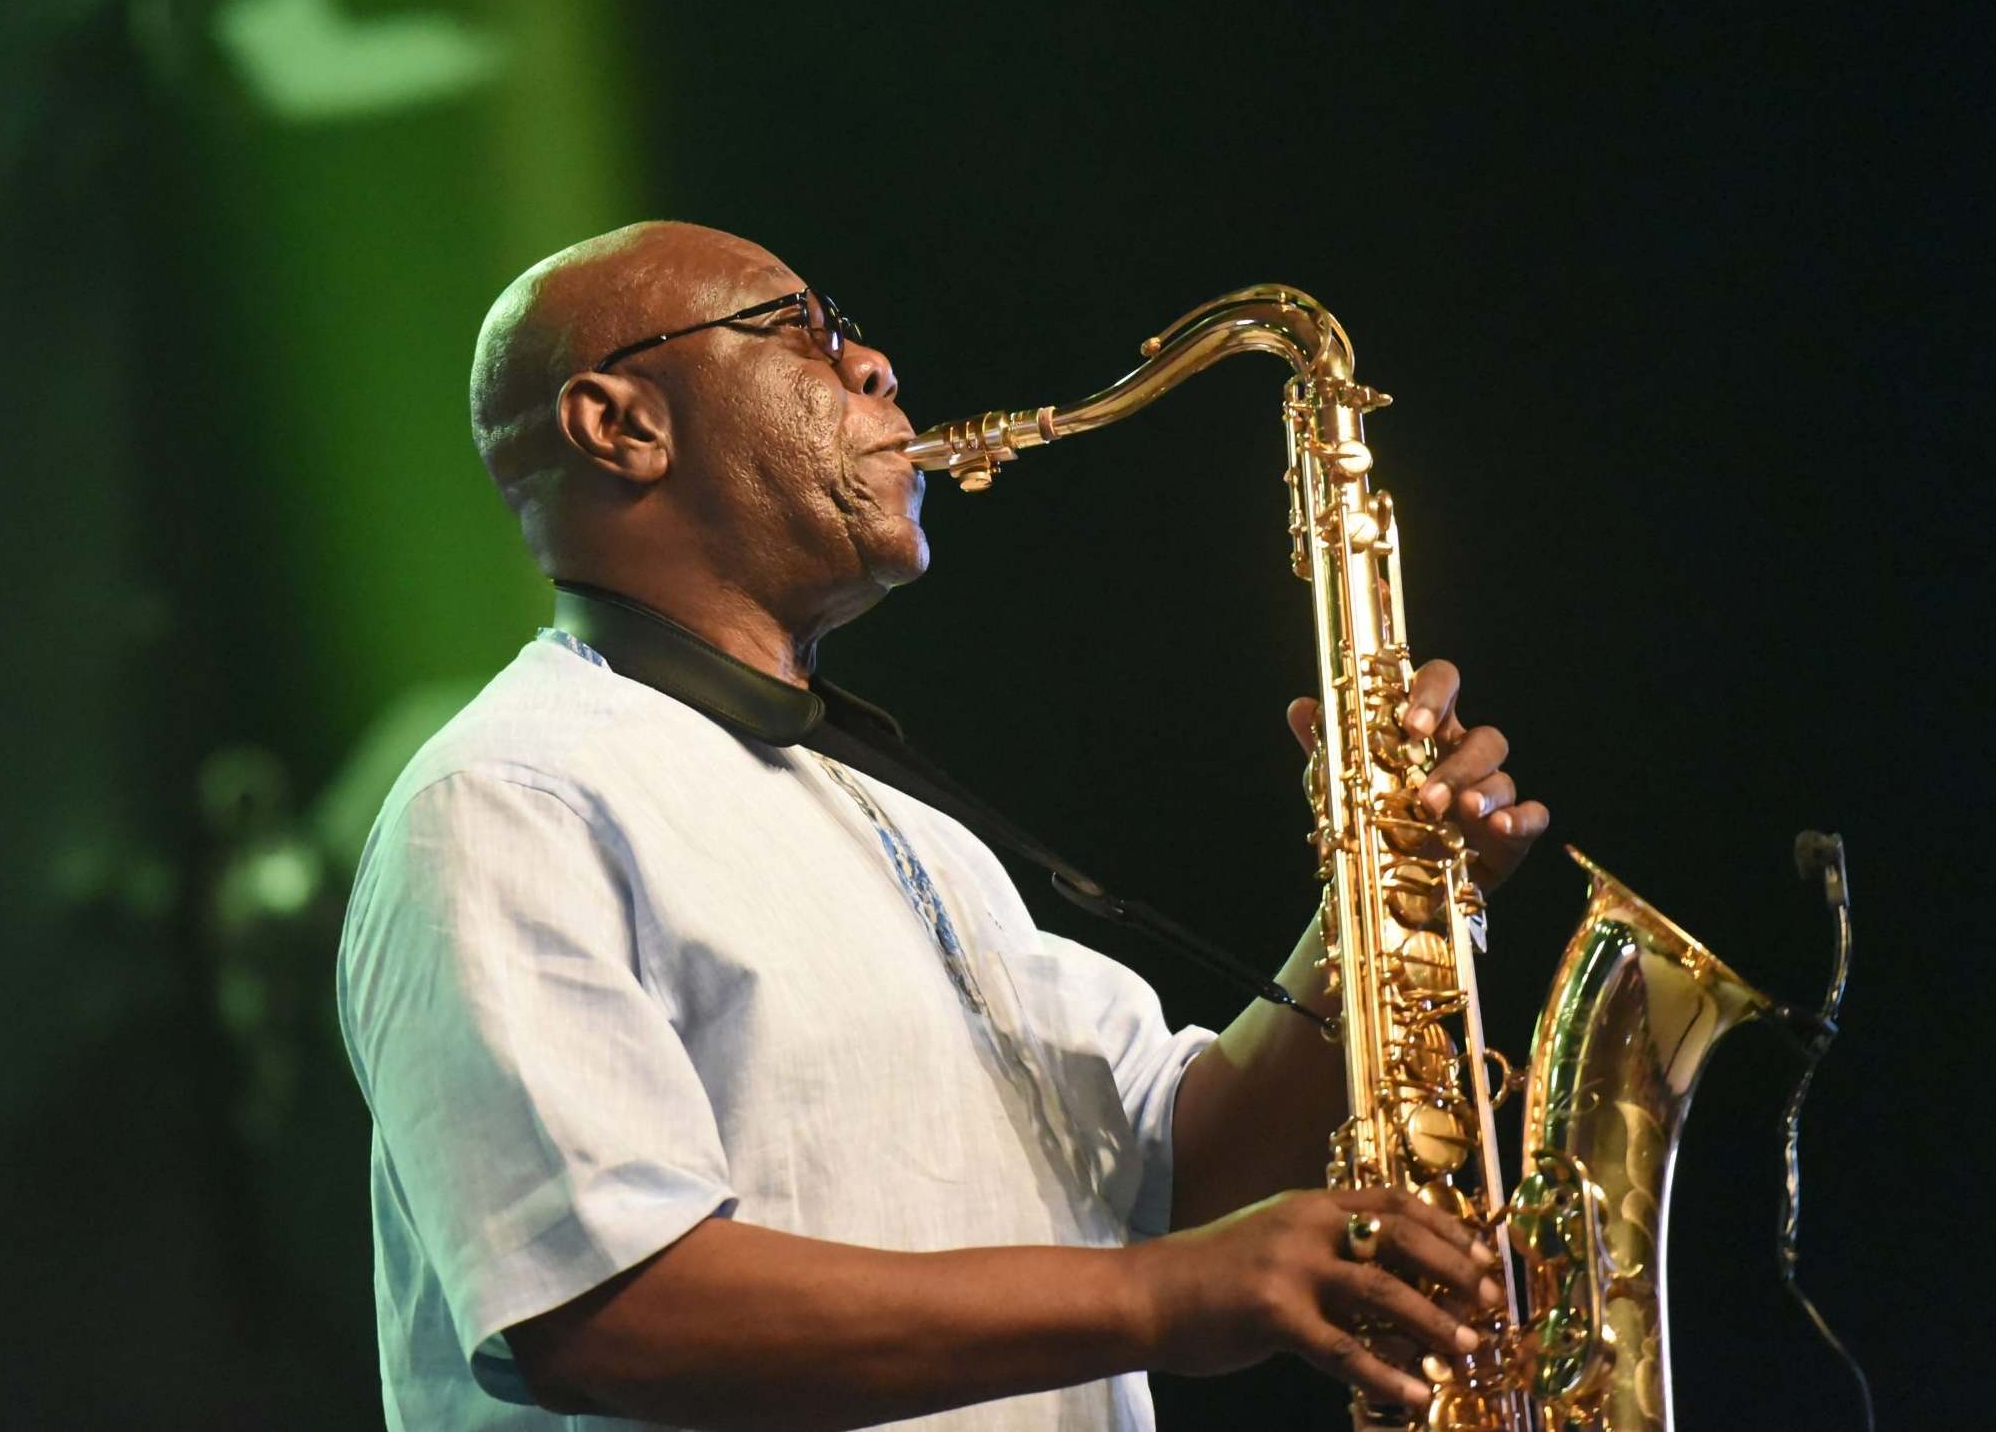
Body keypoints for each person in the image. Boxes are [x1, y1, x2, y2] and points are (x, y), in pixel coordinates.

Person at [337, 221, 1550, 1431]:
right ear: (622, 425)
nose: (873, 371)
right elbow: (605, 1313)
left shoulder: (890, 816)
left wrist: (1388, 890)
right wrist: (1152, 1294)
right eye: (801, 335)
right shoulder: (509, 797)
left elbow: (1174, 1176)